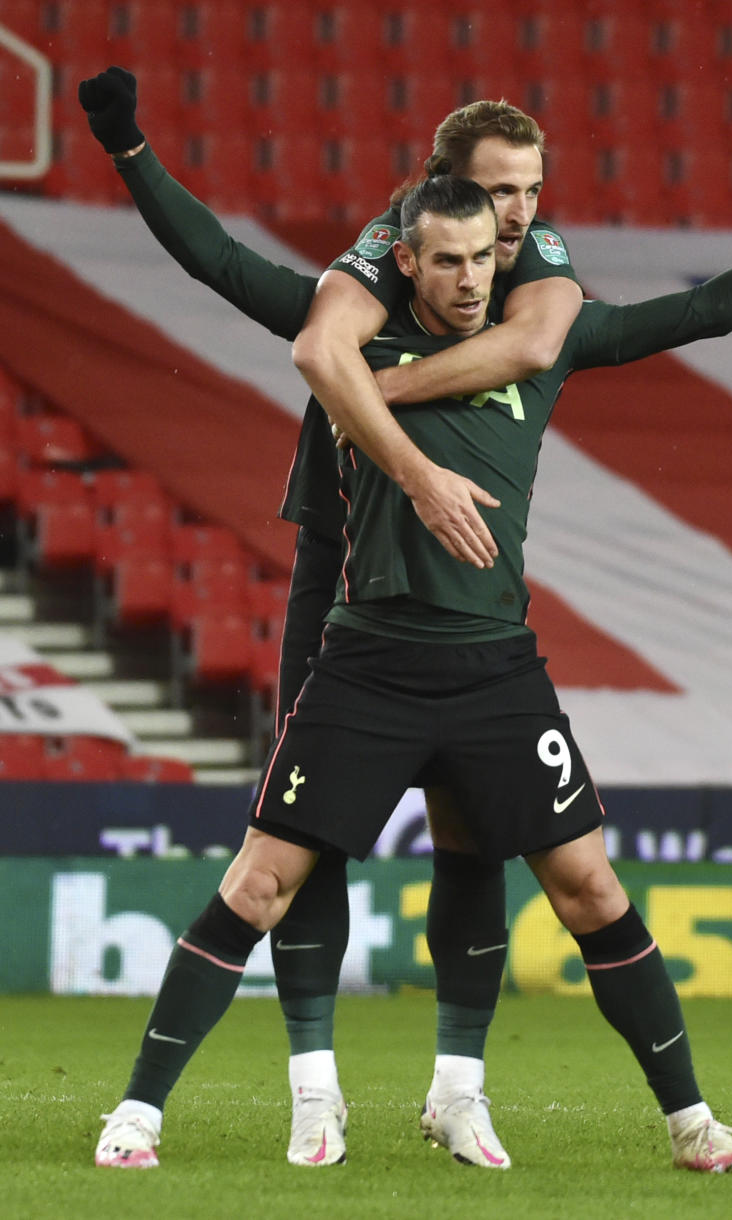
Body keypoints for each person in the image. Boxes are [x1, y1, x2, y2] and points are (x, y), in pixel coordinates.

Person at [92, 165, 732, 1175]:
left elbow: (703, 308)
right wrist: (131, 150)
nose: (473, 276)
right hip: (369, 662)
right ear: (408, 259)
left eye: (486, 254)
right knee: (260, 880)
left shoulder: (545, 341)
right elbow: (216, 257)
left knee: (591, 889)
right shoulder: (351, 343)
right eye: (449, 259)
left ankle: (692, 1123)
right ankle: (136, 1113)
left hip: (494, 670)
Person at [79, 68, 583, 1166]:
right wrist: (131, 154)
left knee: (473, 836)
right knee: (303, 846)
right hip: (340, 582)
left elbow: (615, 324)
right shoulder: (352, 297)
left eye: (527, 195)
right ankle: (317, 1090)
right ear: (433, 202)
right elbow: (220, 262)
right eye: (495, 192)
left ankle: (460, 1087)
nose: (516, 215)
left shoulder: (529, 281)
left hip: (461, 616)